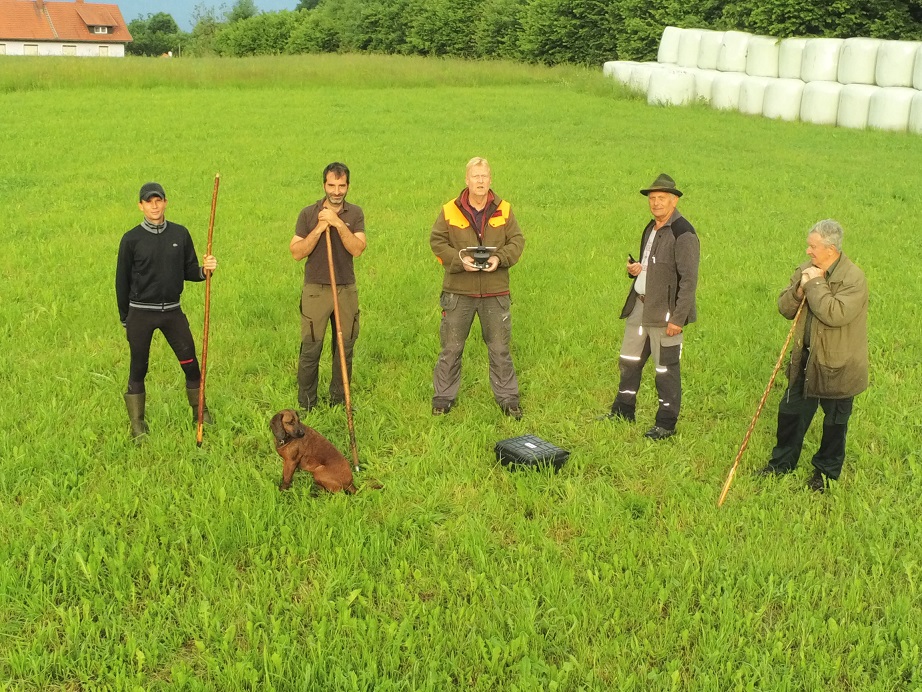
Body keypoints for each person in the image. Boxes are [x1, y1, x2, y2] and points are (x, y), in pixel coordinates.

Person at [757, 219, 868, 492]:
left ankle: (825, 474)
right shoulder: (806, 270)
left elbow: (834, 313)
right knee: (790, 414)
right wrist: (797, 290)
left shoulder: (853, 279)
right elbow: (785, 308)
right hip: (805, 360)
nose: (808, 251)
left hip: (839, 365)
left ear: (830, 249)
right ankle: (781, 464)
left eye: (813, 246)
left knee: (834, 423)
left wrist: (815, 284)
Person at [116, 182, 218, 441]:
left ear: (165, 202)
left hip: (172, 312)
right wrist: (125, 318)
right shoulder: (131, 239)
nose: (154, 205)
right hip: (140, 313)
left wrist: (205, 271)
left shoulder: (180, 234)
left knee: (190, 364)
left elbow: (190, 271)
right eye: (149, 201)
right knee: (138, 368)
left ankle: (200, 413)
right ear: (140, 205)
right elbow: (121, 281)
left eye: (158, 200)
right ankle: (138, 427)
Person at [603, 173, 700, 440]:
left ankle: (665, 424)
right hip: (639, 306)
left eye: (661, 199)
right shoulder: (651, 227)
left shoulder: (684, 233)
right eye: (652, 199)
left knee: (665, 370)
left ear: (674, 200)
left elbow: (689, 281)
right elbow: (653, 266)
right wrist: (637, 270)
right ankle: (623, 411)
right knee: (629, 361)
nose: (655, 203)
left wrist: (678, 319)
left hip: (665, 314)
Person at [430, 157, 525, 419]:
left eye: (484, 176)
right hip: (458, 292)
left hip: (495, 292)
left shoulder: (504, 209)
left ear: (490, 180)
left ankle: (508, 399)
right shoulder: (450, 209)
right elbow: (437, 241)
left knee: (500, 348)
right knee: (451, 347)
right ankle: (443, 398)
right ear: (467, 180)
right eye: (476, 176)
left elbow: (517, 241)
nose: (480, 181)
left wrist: (499, 259)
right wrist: (459, 261)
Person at [289, 162, 366, 411]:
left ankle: (339, 400)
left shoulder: (355, 214)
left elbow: (357, 248)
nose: (336, 191)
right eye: (332, 185)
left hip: (345, 288)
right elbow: (296, 252)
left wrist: (337, 223)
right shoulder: (308, 214)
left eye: (341, 186)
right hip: (316, 289)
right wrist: (321, 227)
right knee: (311, 348)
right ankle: (307, 403)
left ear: (347, 186)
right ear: (324, 185)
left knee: (345, 346)